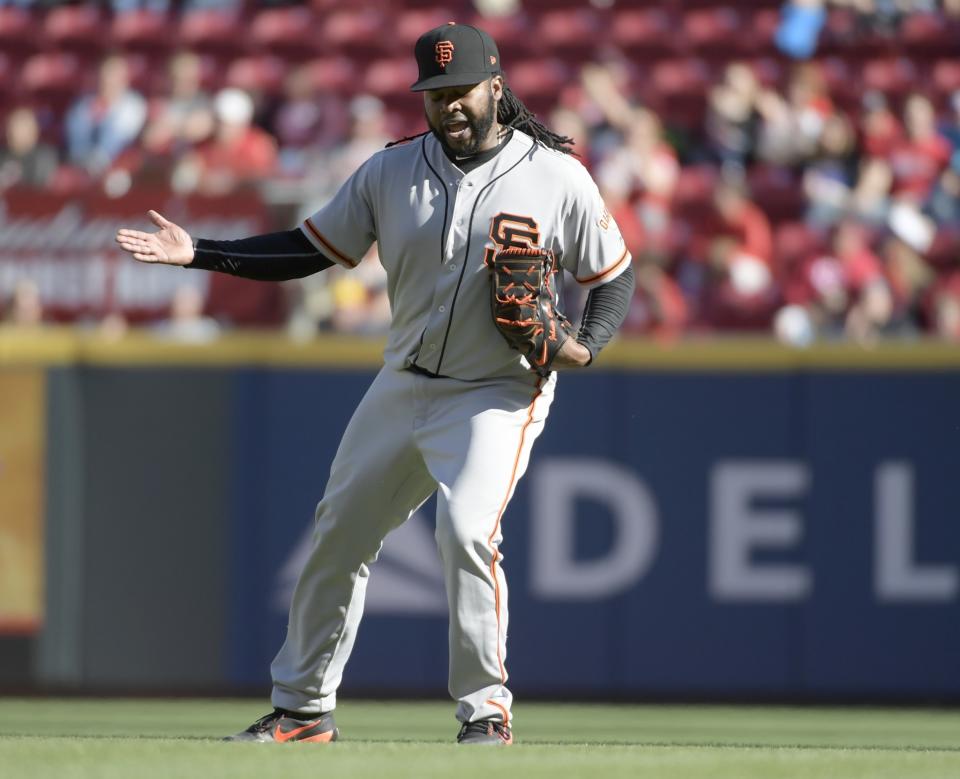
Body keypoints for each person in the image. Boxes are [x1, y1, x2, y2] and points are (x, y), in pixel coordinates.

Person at [115, 23, 635, 746]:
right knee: (337, 536)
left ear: (494, 86)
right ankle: (302, 711)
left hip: (496, 391)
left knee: (464, 532)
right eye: (434, 93)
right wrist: (199, 252)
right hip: (404, 381)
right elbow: (308, 249)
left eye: (459, 91)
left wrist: (587, 345)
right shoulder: (391, 171)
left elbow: (613, 275)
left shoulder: (555, 175)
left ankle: (486, 711)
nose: (448, 105)